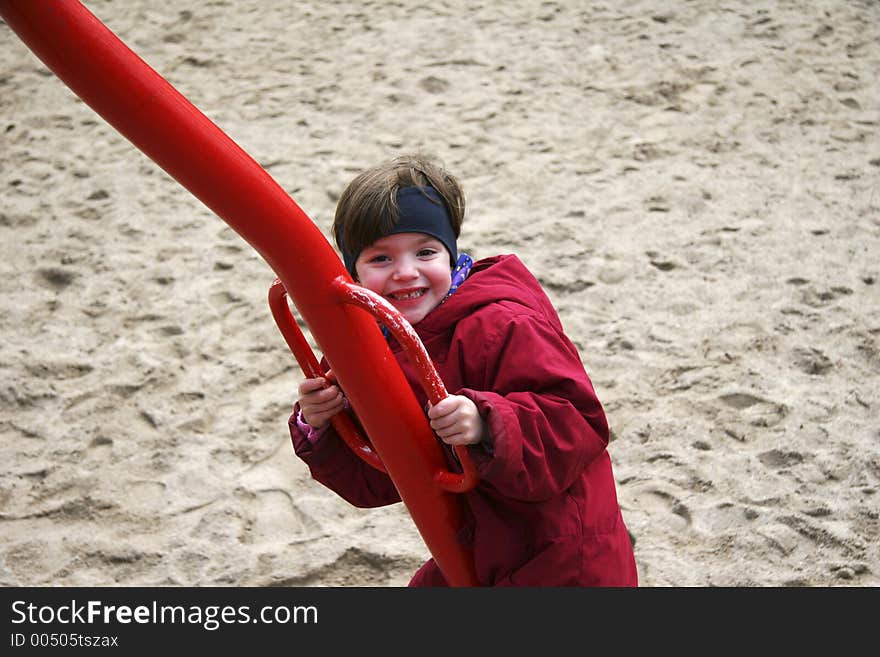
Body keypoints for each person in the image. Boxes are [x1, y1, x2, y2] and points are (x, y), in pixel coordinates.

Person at [289, 154, 638, 586]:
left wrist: (487, 422)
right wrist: (321, 424)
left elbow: (578, 423)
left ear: (451, 255)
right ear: (353, 271)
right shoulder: (372, 344)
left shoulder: (502, 323)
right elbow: (375, 481)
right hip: (479, 545)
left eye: (425, 252)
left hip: (562, 551)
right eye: (380, 259)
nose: (405, 272)